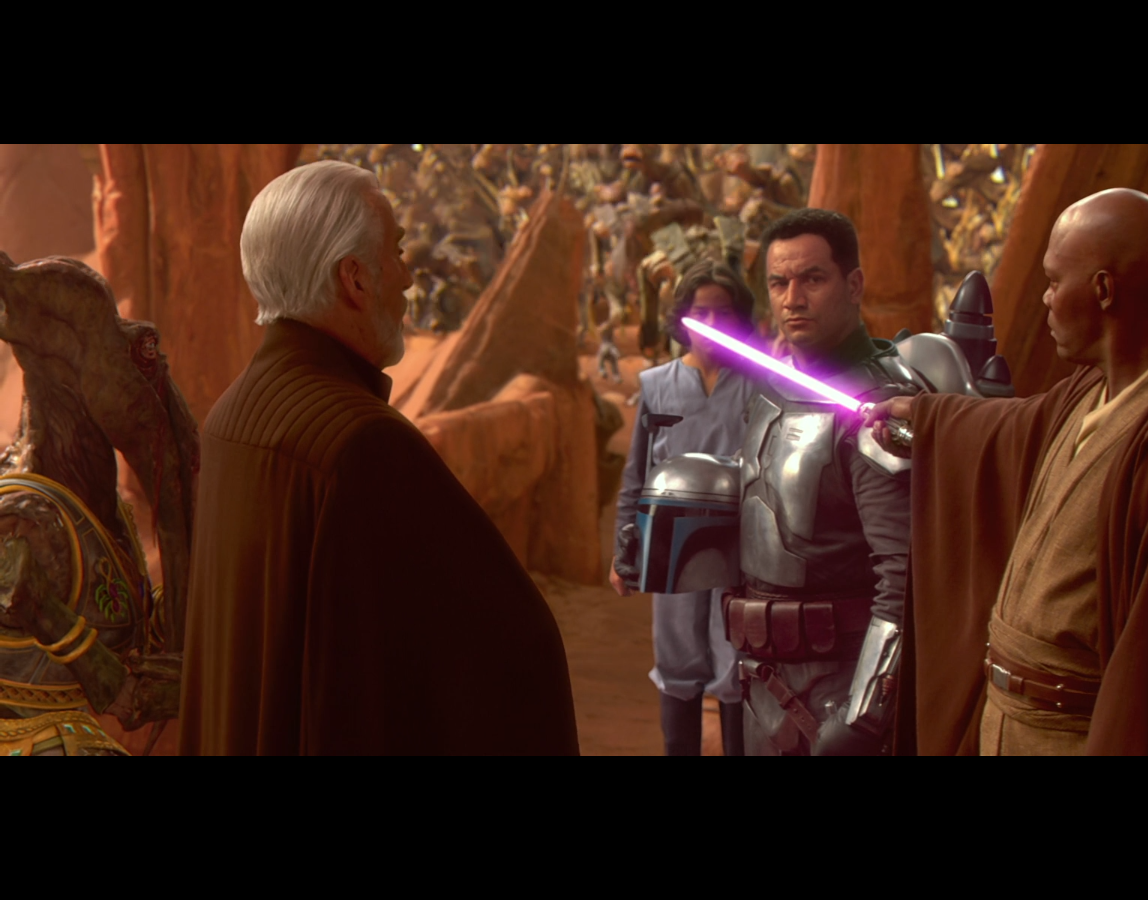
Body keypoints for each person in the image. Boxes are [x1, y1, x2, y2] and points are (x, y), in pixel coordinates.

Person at [864, 188, 1148, 755]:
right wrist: (925, 419)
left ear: (1103, 290)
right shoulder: (1091, 391)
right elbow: (1015, 429)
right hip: (1008, 728)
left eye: (1054, 281)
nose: (1045, 299)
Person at [178, 160, 579, 755]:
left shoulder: (229, 416)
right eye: (396, 252)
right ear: (355, 279)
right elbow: (515, 648)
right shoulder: (364, 444)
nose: (409, 277)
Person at [727, 208, 920, 756]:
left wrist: (864, 714)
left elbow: (904, 574)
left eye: (812, 278)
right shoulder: (772, 389)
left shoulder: (876, 407)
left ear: (853, 285)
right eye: (778, 283)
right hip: (760, 678)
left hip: (840, 689)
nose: (793, 299)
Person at [610, 260, 758, 756]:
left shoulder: (759, 386)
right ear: (684, 317)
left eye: (723, 313)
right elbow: (637, 475)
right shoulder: (658, 384)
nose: (711, 324)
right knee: (677, 662)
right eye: (701, 313)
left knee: (735, 661)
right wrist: (623, 552)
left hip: (739, 550)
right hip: (669, 546)